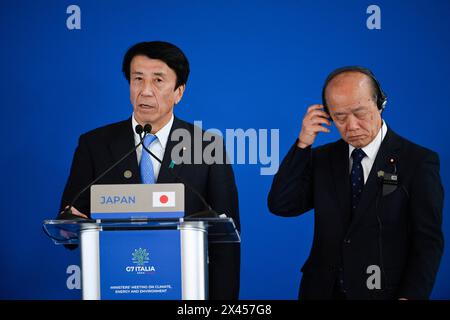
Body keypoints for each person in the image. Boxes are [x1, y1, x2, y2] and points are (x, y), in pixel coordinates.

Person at [59, 41, 240, 300]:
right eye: (137, 79)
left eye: (158, 81)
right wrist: (70, 223)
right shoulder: (94, 144)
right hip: (115, 287)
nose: (145, 91)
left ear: (179, 91)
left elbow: (226, 243)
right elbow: (69, 226)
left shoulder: (207, 147)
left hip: (185, 291)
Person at [268, 66, 444, 300]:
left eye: (360, 113)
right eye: (340, 117)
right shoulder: (323, 158)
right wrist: (303, 144)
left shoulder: (418, 162)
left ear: (380, 103)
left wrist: (410, 296)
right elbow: (282, 204)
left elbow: (427, 241)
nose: (351, 126)